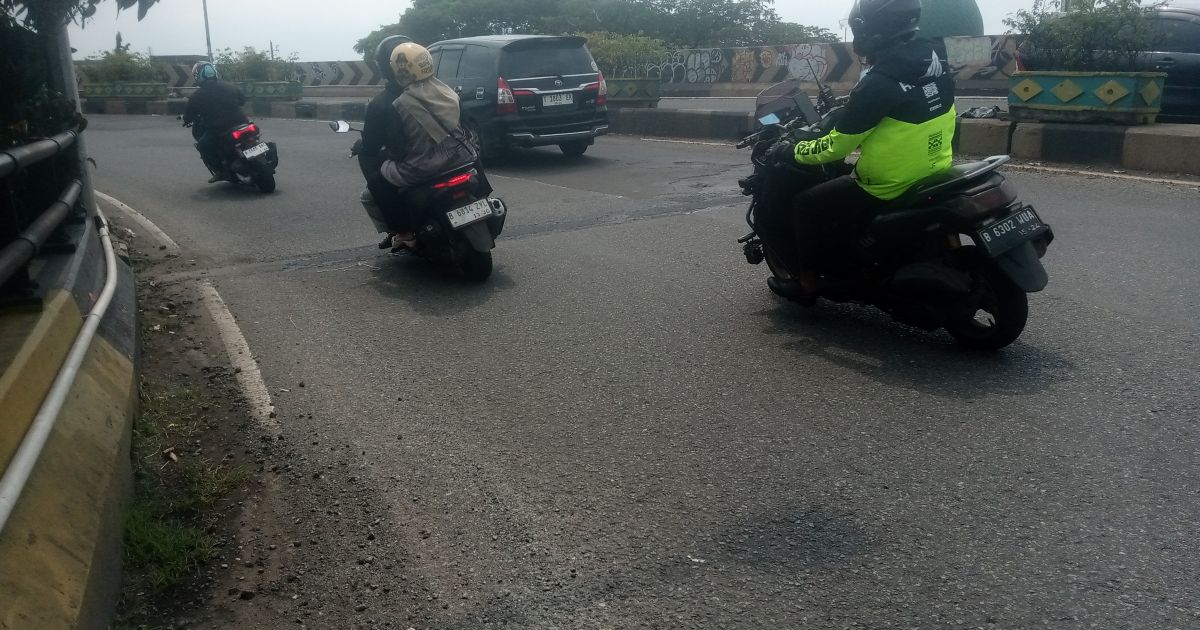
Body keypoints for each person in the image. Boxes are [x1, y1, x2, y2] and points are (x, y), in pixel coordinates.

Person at [767, 0, 955, 298]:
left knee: (807, 204)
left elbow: (835, 149)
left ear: (873, 31)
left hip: (887, 184)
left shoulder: (878, 83)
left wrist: (792, 151)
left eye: (858, 29)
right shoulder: (935, 55)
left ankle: (807, 283)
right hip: (936, 168)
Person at [364, 41, 477, 250]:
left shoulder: (397, 103)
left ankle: (404, 233)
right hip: (463, 157)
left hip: (423, 167)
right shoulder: (448, 91)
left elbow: (397, 149)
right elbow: (469, 123)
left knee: (377, 181)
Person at [182, 63, 249, 183]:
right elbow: (243, 100)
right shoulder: (230, 86)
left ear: (198, 76)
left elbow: (188, 116)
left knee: (203, 146)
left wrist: (186, 120)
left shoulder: (197, 96)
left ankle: (220, 171)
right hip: (242, 121)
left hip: (219, 129)